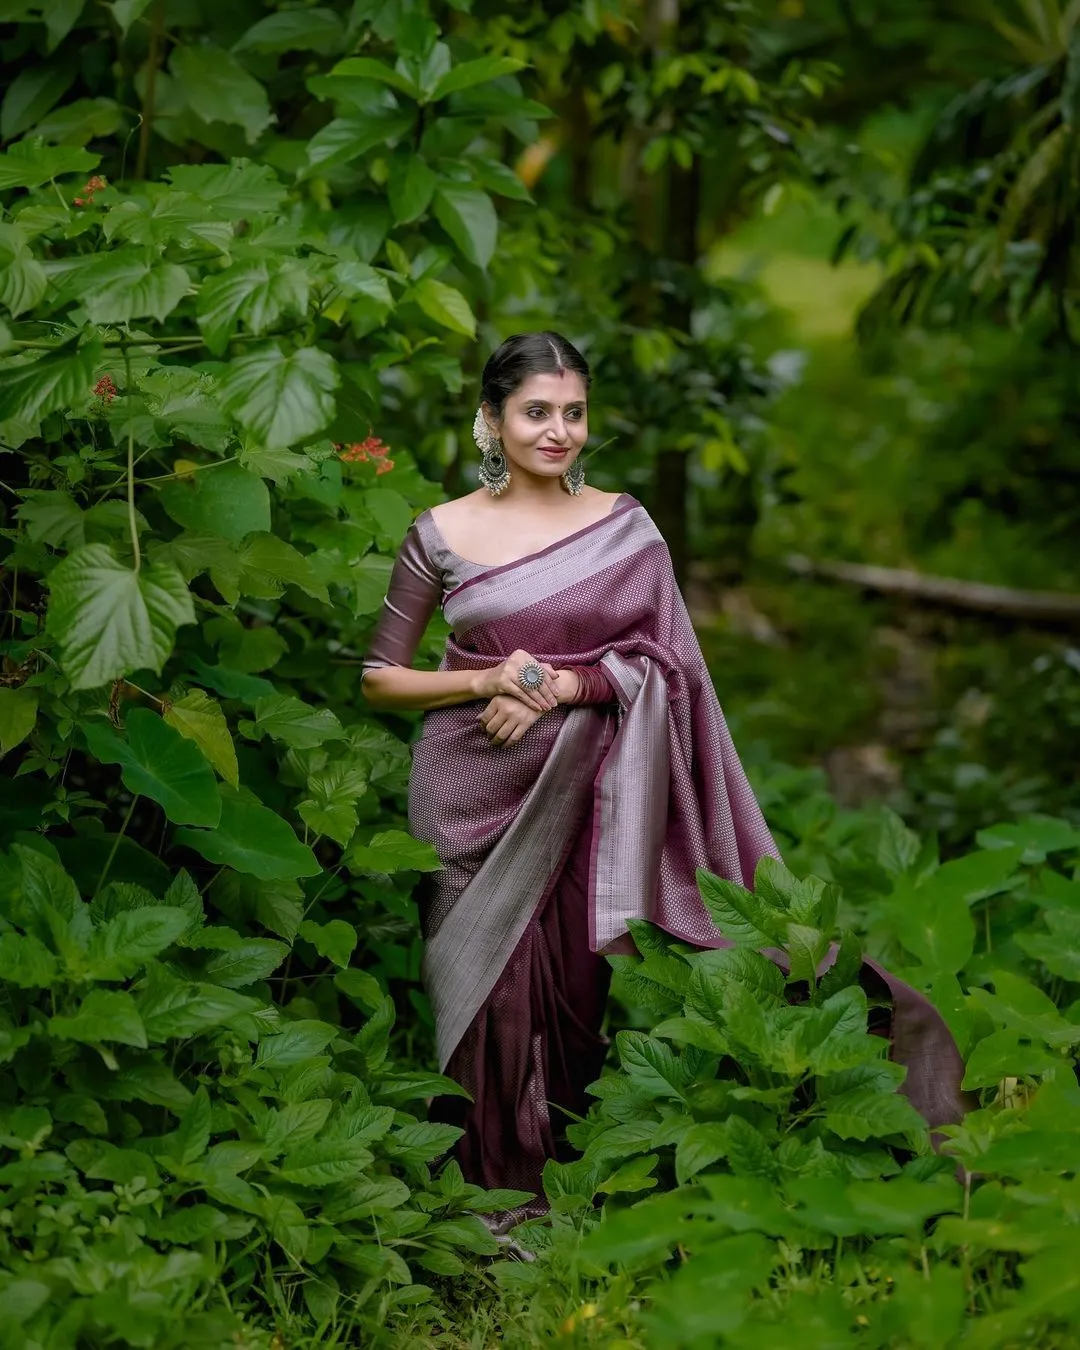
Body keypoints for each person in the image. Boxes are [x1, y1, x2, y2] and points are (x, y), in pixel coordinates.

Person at [360, 331, 965, 1225]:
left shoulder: (624, 528)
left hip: (595, 790)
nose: (558, 432)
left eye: (573, 413)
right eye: (535, 413)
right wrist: (489, 677)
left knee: (570, 991)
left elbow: (668, 668)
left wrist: (566, 684)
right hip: (466, 792)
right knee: (477, 994)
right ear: (490, 420)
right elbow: (380, 679)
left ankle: (553, 1186)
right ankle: (479, 1194)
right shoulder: (440, 533)